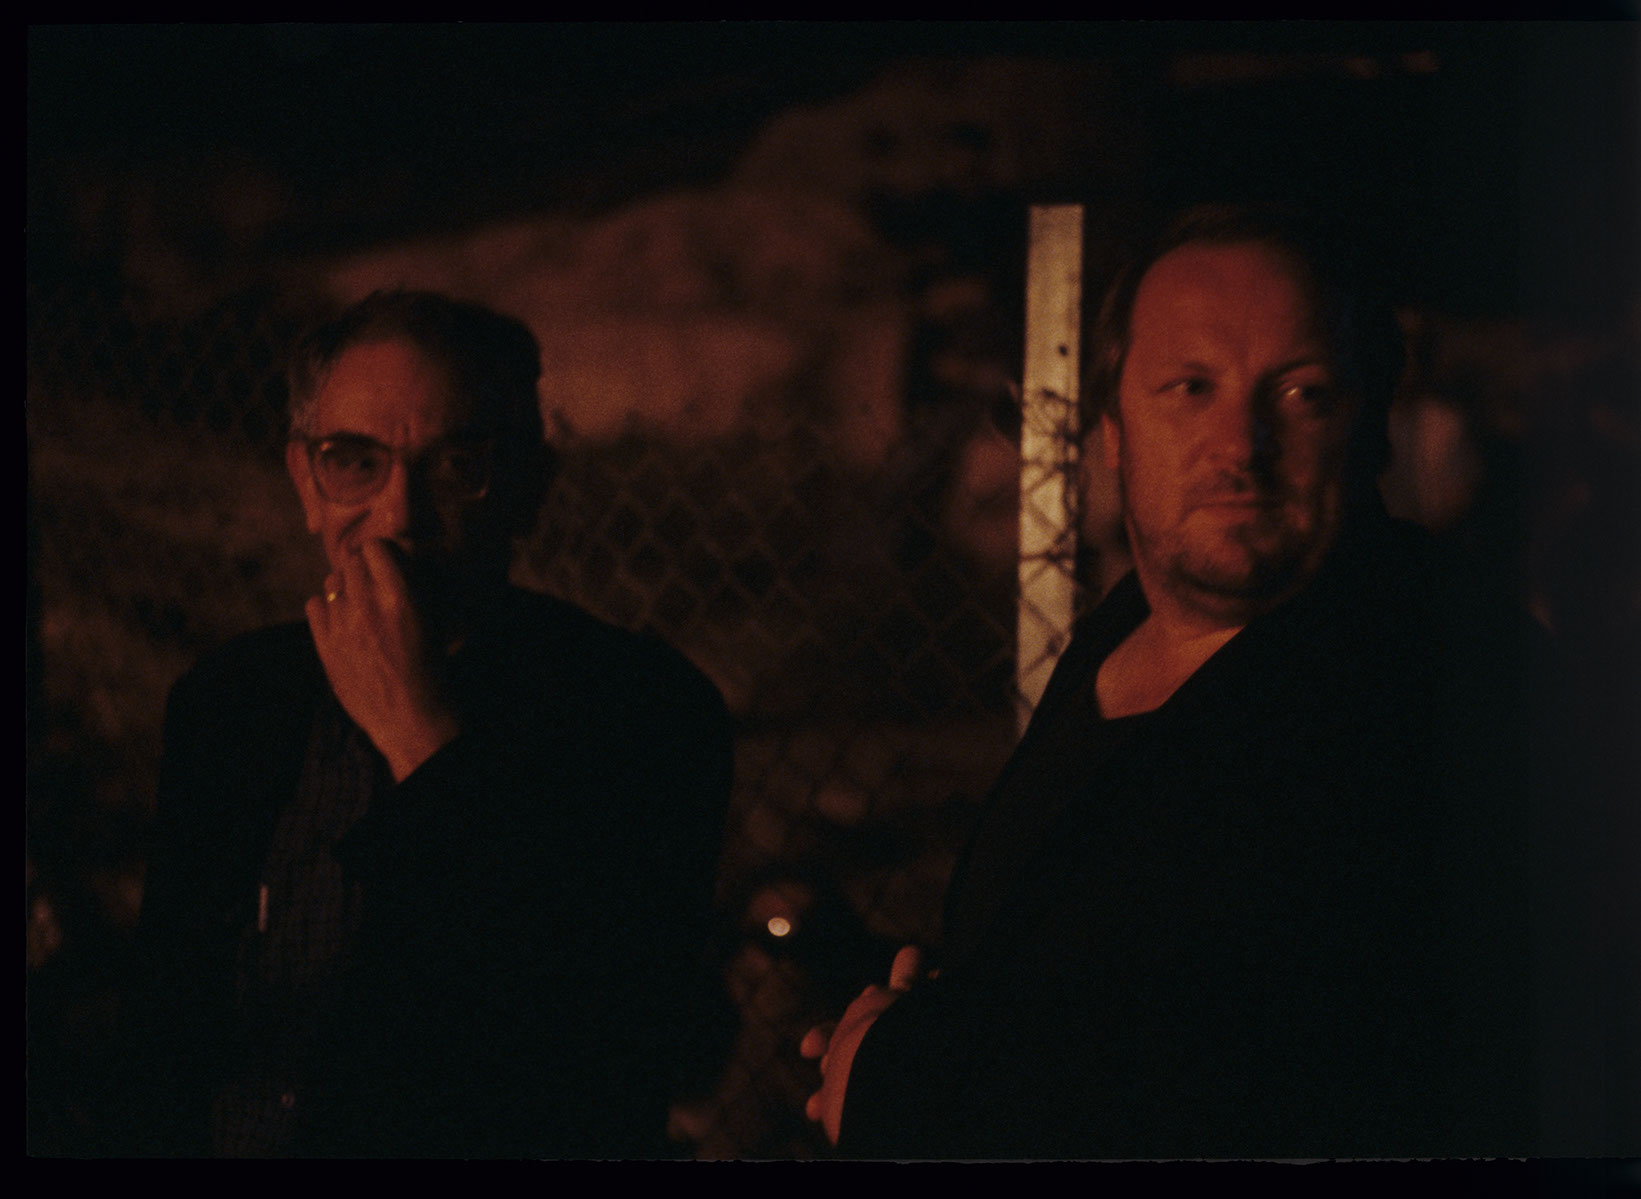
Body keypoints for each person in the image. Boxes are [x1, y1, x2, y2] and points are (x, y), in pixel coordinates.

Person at [802, 207, 1539, 1159]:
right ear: (1112, 429)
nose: (1239, 445)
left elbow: (1277, 1072)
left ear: (1367, 429)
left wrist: (900, 1083)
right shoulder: (1122, 636)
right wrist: (915, 1043)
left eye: (1302, 393)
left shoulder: (1434, 685)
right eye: (1189, 388)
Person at [126, 291, 733, 1158]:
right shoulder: (229, 699)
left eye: (455, 466)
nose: (399, 512)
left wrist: (420, 736)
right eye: (353, 461)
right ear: (305, 483)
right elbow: (167, 1026)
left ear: (527, 488)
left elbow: (582, 1052)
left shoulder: (641, 714)